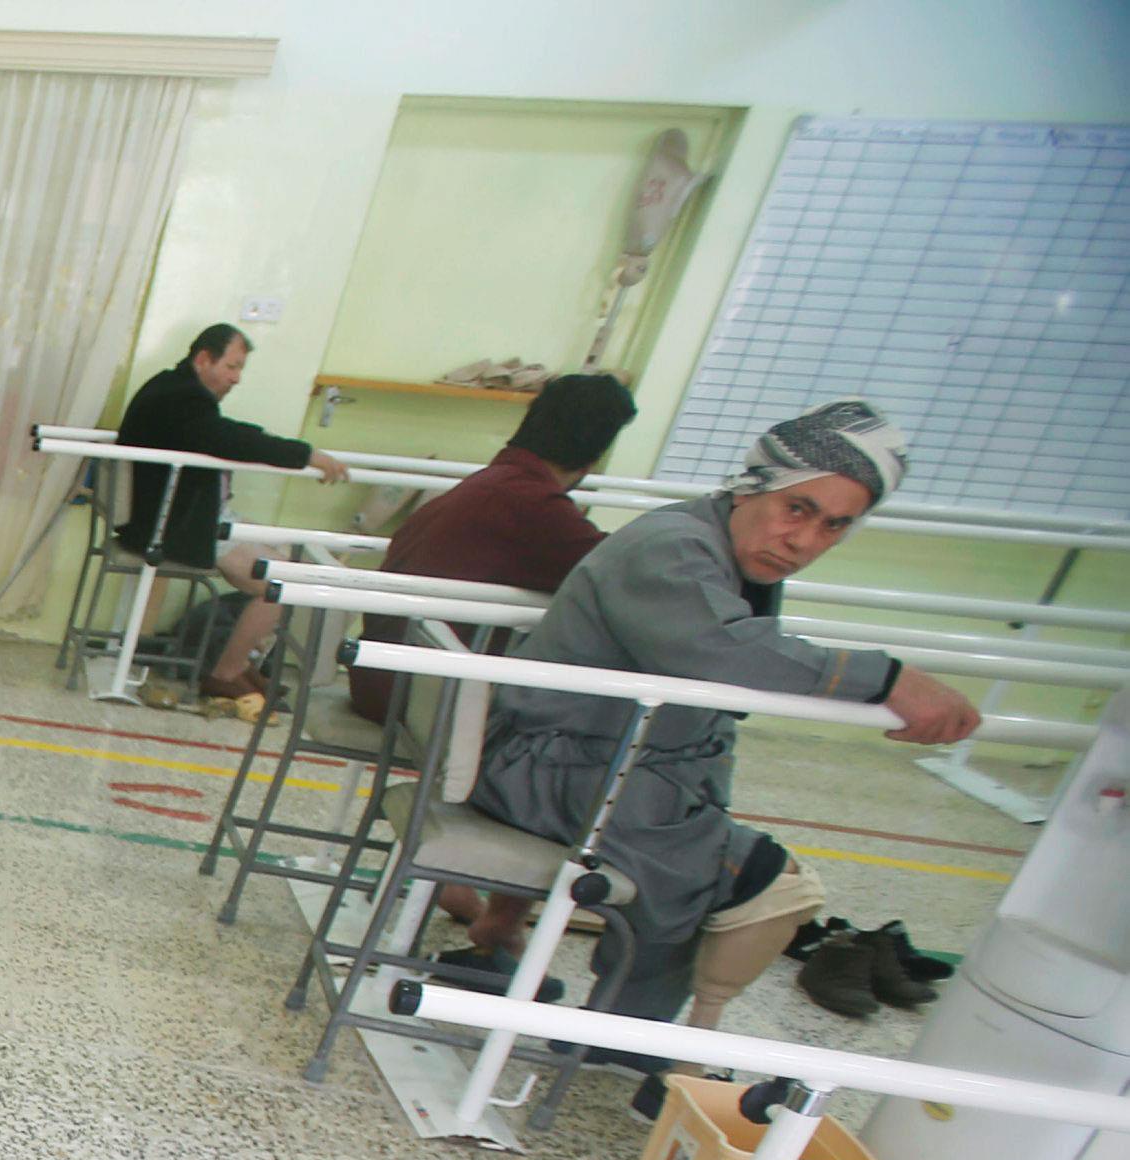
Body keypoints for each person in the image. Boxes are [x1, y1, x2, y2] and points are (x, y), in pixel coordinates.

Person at [472, 398, 982, 1091]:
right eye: (796, 509)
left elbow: (713, 712)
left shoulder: (720, 551)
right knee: (760, 881)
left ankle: (626, 1029)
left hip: (597, 764)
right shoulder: (673, 547)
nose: (803, 539)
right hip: (551, 767)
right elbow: (723, 656)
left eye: (834, 525)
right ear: (754, 487)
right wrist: (888, 678)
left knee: (714, 855)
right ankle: (634, 1040)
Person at [345, 371, 639, 962]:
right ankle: (501, 918)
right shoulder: (532, 504)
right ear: (598, 452)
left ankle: (457, 880)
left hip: (390, 678)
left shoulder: (489, 485)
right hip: (421, 698)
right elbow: (624, 586)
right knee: (575, 745)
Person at [110, 325, 350, 707]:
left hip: (187, 516)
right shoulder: (181, 398)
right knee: (285, 580)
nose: (237, 378)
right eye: (232, 367)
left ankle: (244, 664)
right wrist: (307, 455)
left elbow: (225, 434)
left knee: (300, 557)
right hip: (179, 525)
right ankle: (227, 672)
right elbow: (232, 439)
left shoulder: (174, 390)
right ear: (203, 359)